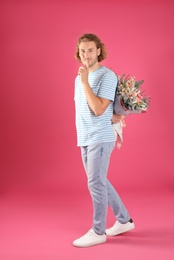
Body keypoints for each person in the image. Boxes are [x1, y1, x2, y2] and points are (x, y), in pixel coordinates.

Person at [73, 33, 135, 248]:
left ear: (99, 50)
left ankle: (98, 231)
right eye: (83, 51)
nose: (86, 54)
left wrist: (84, 82)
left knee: (95, 183)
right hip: (85, 137)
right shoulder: (77, 79)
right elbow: (86, 111)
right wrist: (81, 80)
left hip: (100, 137)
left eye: (90, 50)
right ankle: (124, 220)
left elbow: (99, 109)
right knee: (99, 181)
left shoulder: (107, 76)